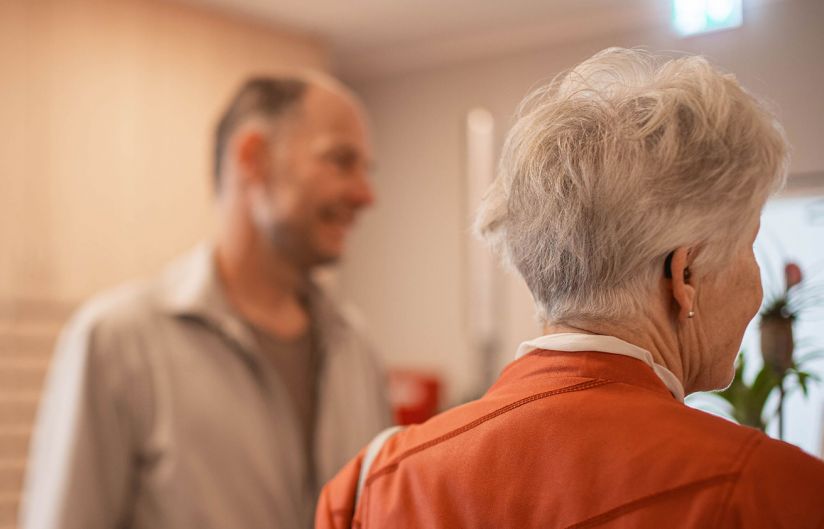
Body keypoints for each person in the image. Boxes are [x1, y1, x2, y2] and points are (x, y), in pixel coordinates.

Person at [316, 48, 824, 529]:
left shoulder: (371, 488)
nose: (756, 285)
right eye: (748, 246)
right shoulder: (778, 494)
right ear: (684, 275)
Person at [21, 74, 392, 529]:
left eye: (366, 170)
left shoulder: (356, 350)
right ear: (253, 157)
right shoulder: (118, 342)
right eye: (340, 161)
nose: (365, 195)